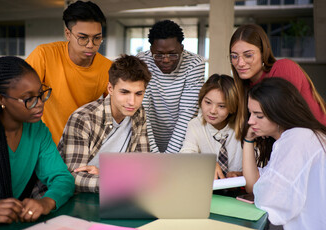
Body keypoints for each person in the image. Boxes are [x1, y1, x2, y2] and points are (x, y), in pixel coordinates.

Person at [0, 56, 75, 230]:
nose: (39, 103)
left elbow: (62, 178)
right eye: (28, 98)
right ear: (0, 99)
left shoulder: (38, 131)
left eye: (41, 94)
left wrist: (46, 202)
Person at [242, 77, 326, 230]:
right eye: (250, 113)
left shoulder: (296, 139)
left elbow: (269, 199)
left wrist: (260, 192)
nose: (250, 121)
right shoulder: (303, 136)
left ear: (279, 113)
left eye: (258, 115)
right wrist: (248, 140)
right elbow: (253, 185)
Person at [58, 55, 151, 193]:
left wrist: (105, 174)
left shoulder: (138, 113)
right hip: (76, 196)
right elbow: (72, 176)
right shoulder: (83, 119)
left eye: (139, 94)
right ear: (110, 89)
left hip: (115, 194)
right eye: (124, 92)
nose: (132, 101)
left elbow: (142, 165)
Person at [26, 1, 112, 144]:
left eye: (97, 38)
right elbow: (20, 95)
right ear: (68, 33)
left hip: (83, 145)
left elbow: (115, 112)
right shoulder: (44, 55)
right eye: (83, 38)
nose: (91, 45)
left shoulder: (108, 68)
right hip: (45, 144)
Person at [229, 23, 326, 140]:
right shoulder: (244, 88)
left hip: (317, 143)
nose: (240, 63)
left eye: (248, 55)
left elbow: (284, 121)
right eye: (234, 56)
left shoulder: (283, 68)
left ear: (263, 52)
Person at [137, 20, 205, 153]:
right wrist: (155, 155)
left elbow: (186, 114)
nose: (166, 59)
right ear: (151, 50)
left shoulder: (195, 64)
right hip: (146, 138)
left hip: (184, 141)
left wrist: (169, 157)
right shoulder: (142, 62)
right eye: (159, 54)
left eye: (173, 54)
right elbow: (143, 112)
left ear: (182, 48)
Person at [180, 74, 242, 179]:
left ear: (232, 106)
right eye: (208, 102)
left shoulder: (242, 127)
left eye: (221, 106)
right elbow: (185, 156)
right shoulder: (195, 125)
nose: (212, 111)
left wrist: (241, 175)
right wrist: (207, 163)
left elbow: (259, 166)